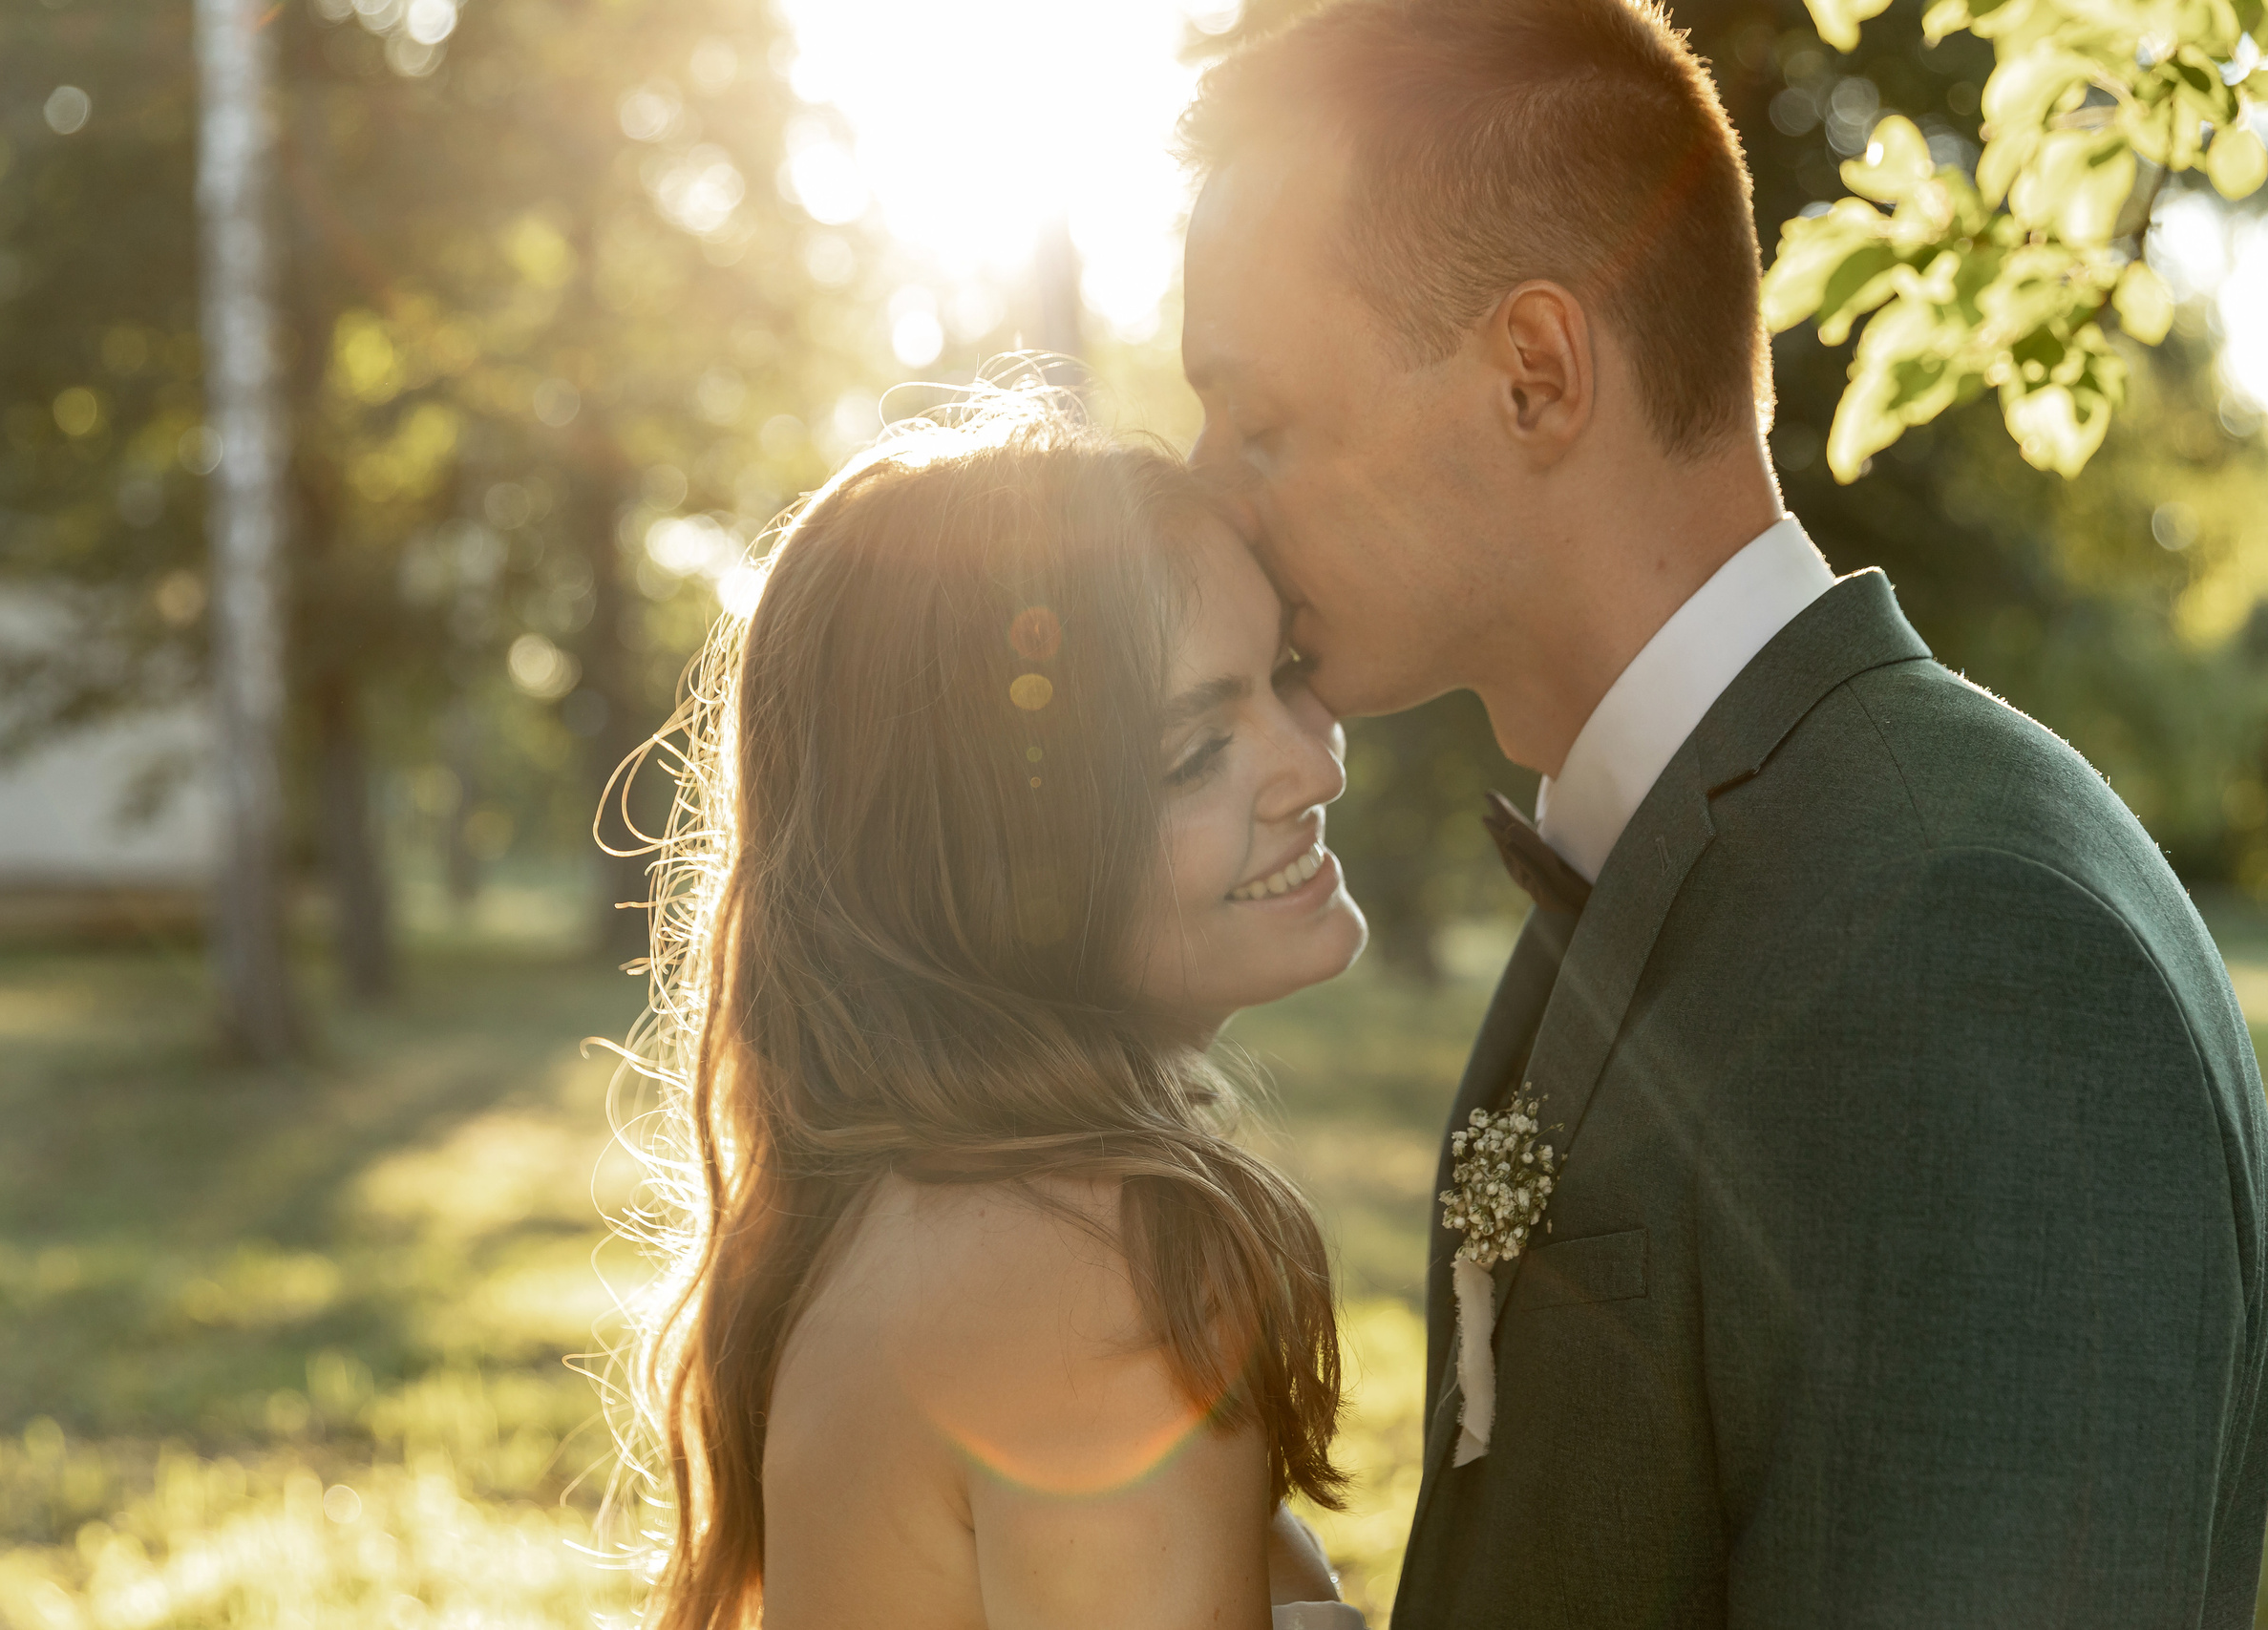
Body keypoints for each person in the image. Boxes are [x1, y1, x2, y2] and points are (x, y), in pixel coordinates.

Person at [1176, 2, 2268, 1626]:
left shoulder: (1966, 943)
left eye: (1262, 423)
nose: (1209, 494)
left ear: (1536, 375)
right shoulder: (1670, 850)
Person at [609, 392, 1373, 1630]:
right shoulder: (1097, 1265)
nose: (1316, 765)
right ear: (993, 867)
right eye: (1192, 753)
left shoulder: (897, 1216)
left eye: (1284, 676)